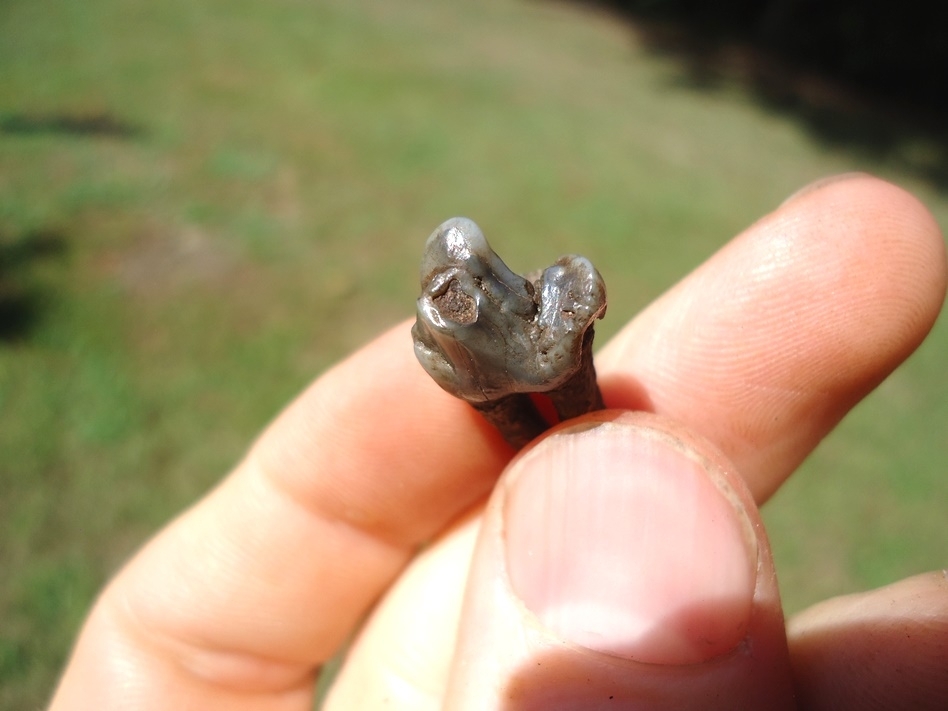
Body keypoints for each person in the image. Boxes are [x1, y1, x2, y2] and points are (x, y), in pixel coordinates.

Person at [48, 174, 947, 710]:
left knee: (571, 438)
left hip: (540, 370)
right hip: (496, 386)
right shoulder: (451, 336)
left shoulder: (537, 302)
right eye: (452, 289)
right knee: (544, 446)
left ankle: (568, 453)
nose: (460, 287)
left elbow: (570, 305)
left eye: (469, 284)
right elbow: (453, 352)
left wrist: (560, 323)